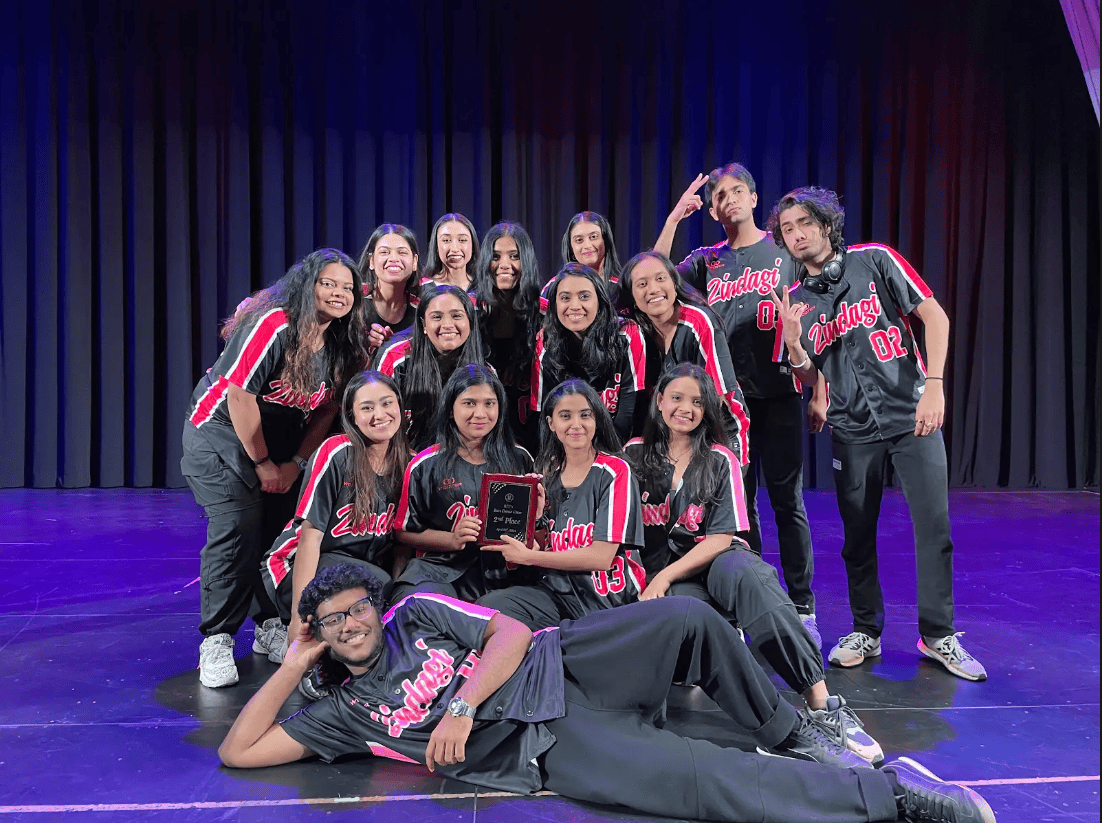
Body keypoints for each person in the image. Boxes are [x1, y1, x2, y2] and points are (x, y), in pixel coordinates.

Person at [217, 562, 998, 823]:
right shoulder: (343, 711)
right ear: (317, 629)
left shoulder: (412, 611)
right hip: (541, 742)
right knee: (699, 780)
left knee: (686, 617)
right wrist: (294, 659)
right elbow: (239, 749)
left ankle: (793, 727)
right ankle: (889, 800)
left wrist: (458, 703)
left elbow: (511, 634)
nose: (353, 622)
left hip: (563, 661)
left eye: (357, 608)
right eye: (333, 620)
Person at [767, 186, 986, 681]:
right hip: (852, 429)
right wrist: (796, 345)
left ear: (826, 224)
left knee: (934, 527)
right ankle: (866, 629)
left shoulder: (875, 260)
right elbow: (807, 374)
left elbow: (934, 315)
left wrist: (934, 386)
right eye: (787, 229)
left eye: (805, 223)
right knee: (857, 535)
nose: (797, 235)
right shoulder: (795, 299)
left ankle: (937, 636)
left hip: (913, 415)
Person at [624, 364, 882, 764]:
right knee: (685, 611)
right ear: (659, 401)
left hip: (716, 558)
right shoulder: (633, 456)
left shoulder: (720, 458)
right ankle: (781, 728)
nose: (685, 409)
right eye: (676, 398)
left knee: (751, 578)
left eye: (697, 401)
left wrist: (665, 577)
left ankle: (822, 706)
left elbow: (720, 538)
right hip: (672, 580)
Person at [181, 248, 367, 688]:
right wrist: (264, 464)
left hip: (280, 445)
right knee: (238, 528)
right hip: (222, 436)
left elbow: (325, 411)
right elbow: (240, 398)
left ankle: (268, 623)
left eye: (347, 288)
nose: (339, 294)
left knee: (279, 535)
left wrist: (297, 463)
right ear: (307, 285)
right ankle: (219, 638)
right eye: (329, 283)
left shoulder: (344, 341)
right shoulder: (275, 323)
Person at [655, 164, 822, 645]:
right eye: (718, 196)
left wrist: (820, 390)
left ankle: (802, 606)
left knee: (788, 500)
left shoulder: (782, 251)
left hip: (781, 394)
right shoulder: (707, 260)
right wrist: (674, 219)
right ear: (710, 209)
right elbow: (653, 273)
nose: (727, 200)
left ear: (752, 197)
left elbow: (816, 322)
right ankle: (749, 601)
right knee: (738, 508)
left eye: (735, 191)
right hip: (727, 403)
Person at [260, 370, 410, 656]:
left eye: (387, 403)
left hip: (360, 572)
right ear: (352, 416)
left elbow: (403, 542)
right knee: (364, 584)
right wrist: (296, 618)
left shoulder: (409, 462)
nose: (379, 414)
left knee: (387, 588)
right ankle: (295, 639)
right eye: (367, 407)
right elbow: (310, 538)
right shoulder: (336, 452)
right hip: (296, 566)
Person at [477, 379, 645, 629]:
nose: (576, 425)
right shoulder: (547, 473)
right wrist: (535, 521)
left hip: (608, 597)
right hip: (556, 592)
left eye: (585, 415)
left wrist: (531, 556)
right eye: (565, 416)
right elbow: (544, 545)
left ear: (597, 420)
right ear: (551, 423)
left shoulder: (615, 471)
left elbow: (601, 557)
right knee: (485, 610)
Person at [391, 365, 536, 604]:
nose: (480, 413)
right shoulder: (425, 464)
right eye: (469, 403)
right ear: (450, 410)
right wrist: (452, 539)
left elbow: (536, 533)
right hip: (440, 571)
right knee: (422, 606)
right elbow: (403, 531)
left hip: (504, 574)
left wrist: (537, 517)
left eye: (489, 403)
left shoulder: (520, 458)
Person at [620, 250, 751, 464]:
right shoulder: (634, 332)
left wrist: (686, 452)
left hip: (718, 429)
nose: (653, 289)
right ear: (632, 297)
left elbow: (716, 398)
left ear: (674, 282)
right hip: (669, 435)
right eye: (642, 284)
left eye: (661, 278)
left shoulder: (700, 322)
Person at [531, 264, 646, 443]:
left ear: (599, 301)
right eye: (565, 298)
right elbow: (543, 414)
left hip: (617, 447)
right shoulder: (546, 342)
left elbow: (629, 413)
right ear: (555, 304)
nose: (575, 306)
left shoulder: (627, 334)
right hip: (567, 448)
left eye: (584, 296)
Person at [374, 283, 487, 450]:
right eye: (437, 317)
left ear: (470, 322)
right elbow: (375, 421)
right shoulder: (394, 357)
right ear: (423, 325)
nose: (447, 324)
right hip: (400, 460)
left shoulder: (485, 371)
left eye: (456, 316)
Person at [472, 221, 543, 451]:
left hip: (535, 436)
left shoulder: (546, 313)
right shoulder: (468, 310)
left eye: (514, 256)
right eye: (495, 256)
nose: (505, 265)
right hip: (479, 435)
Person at [537, 210, 624, 314]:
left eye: (594, 237)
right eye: (579, 240)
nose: (587, 245)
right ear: (571, 248)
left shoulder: (621, 289)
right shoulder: (554, 287)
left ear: (606, 241)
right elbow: (540, 325)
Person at [356, 224, 420, 356]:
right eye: (384, 252)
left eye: (402, 252)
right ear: (371, 261)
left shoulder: (423, 308)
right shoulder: (354, 299)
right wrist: (362, 343)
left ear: (414, 262)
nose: (393, 259)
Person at [422, 213, 479, 291]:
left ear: (472, 245)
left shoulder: (484, 288)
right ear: (436, 246)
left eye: (462, 240)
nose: (455, 249)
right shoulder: (421, 288)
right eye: (446, 240)